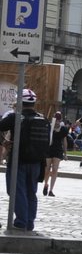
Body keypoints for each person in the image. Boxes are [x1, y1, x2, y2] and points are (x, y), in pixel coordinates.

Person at [0, 89, 47, 230]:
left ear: (19, 102)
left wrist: (3, 141)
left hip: (18, 160)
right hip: (37, 162)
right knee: (31, 192)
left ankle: (21, 222)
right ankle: (29, 222)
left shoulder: (15, 117)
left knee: (16, 190)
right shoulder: (42, 118)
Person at [44, 111, 70, 196]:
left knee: (55, 169)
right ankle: (46, 184)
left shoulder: (63, 129)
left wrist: (65, 153)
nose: (57, 122)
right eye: (56, 120)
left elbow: (64, 141)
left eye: (59, 120)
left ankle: (51, 189)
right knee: (47, 169)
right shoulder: (49, 127)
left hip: (58, 150)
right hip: (48, 149)